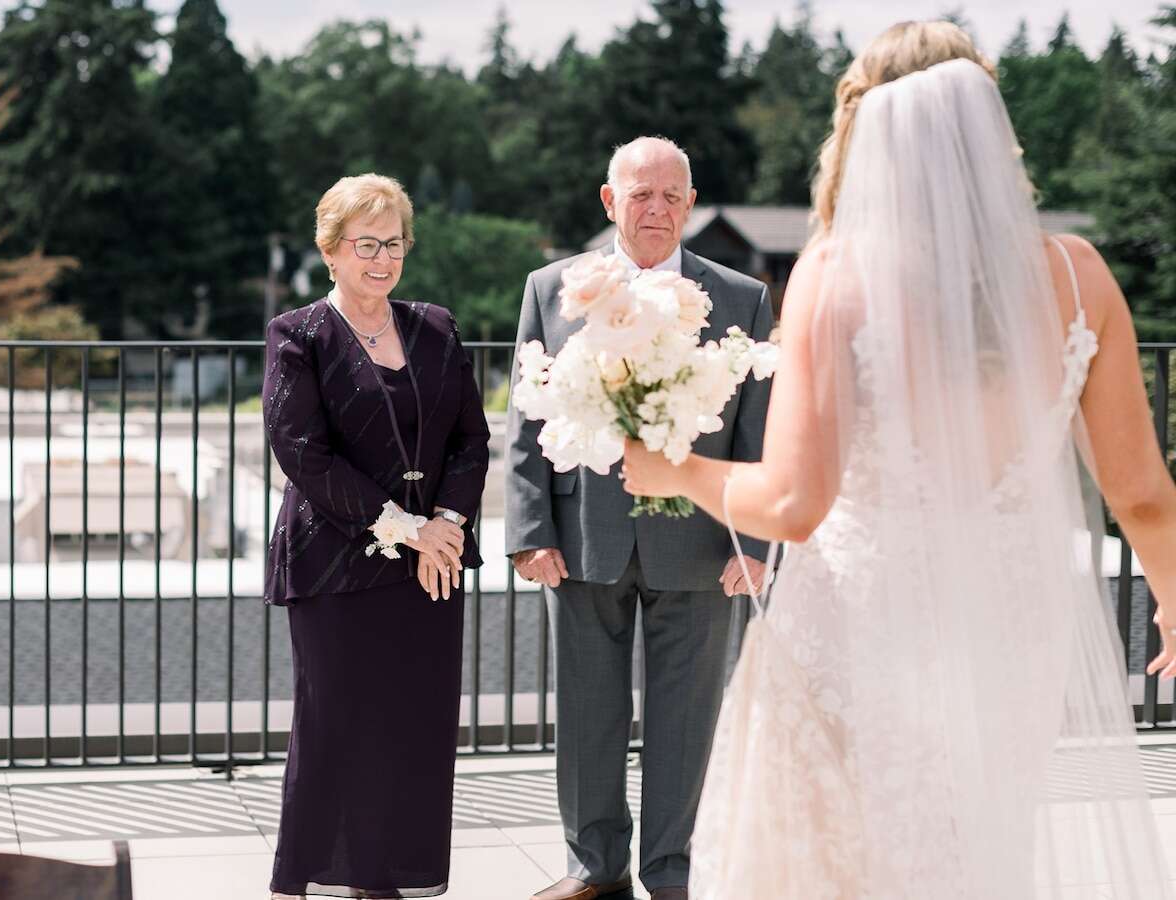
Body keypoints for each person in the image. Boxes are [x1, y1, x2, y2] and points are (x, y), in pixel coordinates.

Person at [621, 22, 1176, 898]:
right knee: (979, 849)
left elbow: (796, 502)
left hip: (863, 626)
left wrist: (678, 471)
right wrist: (1174, 598)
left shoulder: (838, 277)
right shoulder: (1076, 277)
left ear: (861, 135)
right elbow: (1141, 491)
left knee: (840, 865)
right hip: (1012, 631)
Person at [505, 137, 774, 900]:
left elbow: (759, 432)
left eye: (670, 196)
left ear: (690, 204)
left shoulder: (743, 297)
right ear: (608, 200)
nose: (655, 209)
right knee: (587, 715)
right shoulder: (550, 287)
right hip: (582, 540)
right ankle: (594, 868)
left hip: (698, 544)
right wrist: (531, 533)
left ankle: (672, 870)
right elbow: (526, 419)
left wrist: (753, 541)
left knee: (685, 723)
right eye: (640, 194)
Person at [262, 173, 491, 899]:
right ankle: (336, 877)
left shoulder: (436, 327)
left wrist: (447, 527)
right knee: (339, 722)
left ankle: (399, 876)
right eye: (366, 245)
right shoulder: (298, 335)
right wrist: (406, 528)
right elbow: (302, 451)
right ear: (331, 250)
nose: (382, 259)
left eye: (393, 243)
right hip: (335, 560)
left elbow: (470, 440)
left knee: (416, 723)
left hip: (433, 561)